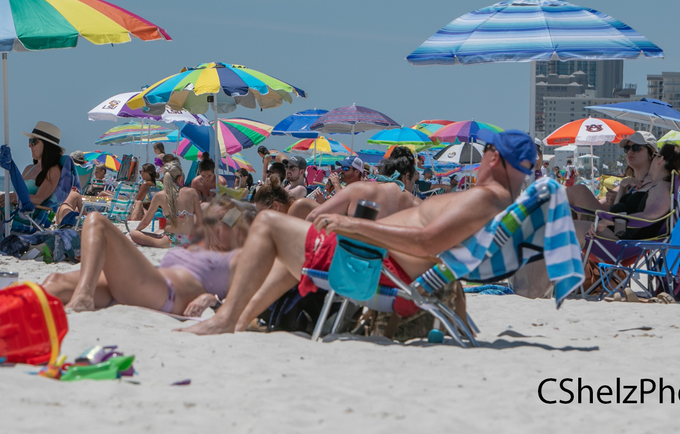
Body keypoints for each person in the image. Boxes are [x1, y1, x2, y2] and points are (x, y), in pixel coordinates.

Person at [185, 130, 537, 335]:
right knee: (289, 241)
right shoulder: (495, 200)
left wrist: (354, 225)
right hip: (377, 264)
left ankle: (226, 317)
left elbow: (428, 241)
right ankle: (240, 319)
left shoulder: (484, 198)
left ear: (494, 157)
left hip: (375, 271)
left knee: (266, 223)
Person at [44, 196, 254, 314]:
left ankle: (84, 296)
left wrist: (213, 302)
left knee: (96, 221)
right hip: (142, 286)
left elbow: (250, 307)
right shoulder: (203, 248)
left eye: (226, 223)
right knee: (55, 281)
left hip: (165, 294)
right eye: (215, 222)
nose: (217, 227)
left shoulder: (238, 258)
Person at [574, 143, 680, 243]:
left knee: (564, 228)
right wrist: (623, 188)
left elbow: (648, 217)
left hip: (622, 241)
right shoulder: (656, 185)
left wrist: (607, 222)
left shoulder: (662, 187)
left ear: (660, 159)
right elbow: (619, 208)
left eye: (654, 156)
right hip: (617, 233)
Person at [0, 121, 79, 225]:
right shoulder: (28, 168)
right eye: (30, 141)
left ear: (47, 145)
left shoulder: (52, 170)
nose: (30, 145)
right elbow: (17, 193)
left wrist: (11, 197)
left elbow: (39, 199)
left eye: (33, 141)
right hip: (15, 210)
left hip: (27, 217)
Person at [567, 131, 658, 214]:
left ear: (651, 154)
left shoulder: (654, 184)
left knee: (579, 191)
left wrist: (619, 199)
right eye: (627, 148)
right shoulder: (626, 184)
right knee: (574, 211)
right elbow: (599, 205)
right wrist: (615, 199)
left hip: (623, 228)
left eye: (636, 148)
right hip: (611, 223)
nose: (630, 151)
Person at [129, 162, 203, 248]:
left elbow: (145, 222)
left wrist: (137, 231)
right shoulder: (192, 192)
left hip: (170, 241)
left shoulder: (159, 195)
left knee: (133, 234)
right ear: (180, 178)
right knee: (159, 231)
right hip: (190, 239)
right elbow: (200, 220)